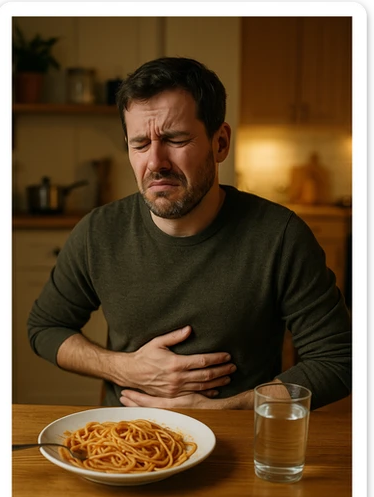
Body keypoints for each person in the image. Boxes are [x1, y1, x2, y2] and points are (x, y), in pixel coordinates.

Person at [27, 56, 352, 411]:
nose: (155, 162)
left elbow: (338, 360)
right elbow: (45, 327)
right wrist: (127, 368)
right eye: (139, 144)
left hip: (239, 442)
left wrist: (235, 409)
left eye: (176, 139)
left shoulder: (280, 236)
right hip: (124, 445)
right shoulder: (98, 232)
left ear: (220, 143)